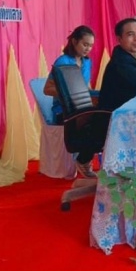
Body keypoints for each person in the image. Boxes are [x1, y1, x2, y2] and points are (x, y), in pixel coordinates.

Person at [43, 25, 97, 177]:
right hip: (63, 110)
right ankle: (83, 160)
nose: (88, 49)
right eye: (85, 44)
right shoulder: (63, 61)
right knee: (96, 122)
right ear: (74, 41)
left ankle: (85, 158)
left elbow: (86, 86)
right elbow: (47, 89)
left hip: (81, 108)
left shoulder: (87, 62)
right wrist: (70, 93)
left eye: (91, 46)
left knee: (103, 117)